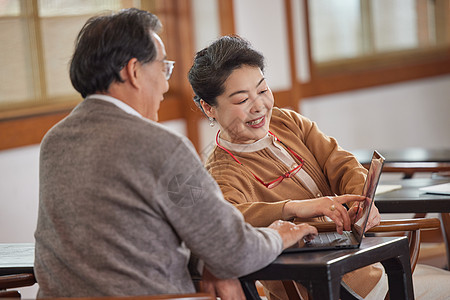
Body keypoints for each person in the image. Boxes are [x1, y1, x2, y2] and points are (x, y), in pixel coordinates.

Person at [34, 9, 320, 299]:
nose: (165, 84)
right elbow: (233, 250)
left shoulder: (55, 142)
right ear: (133, 72)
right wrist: (280, 234)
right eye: (163, 68)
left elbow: (127, 236)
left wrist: (209, 260)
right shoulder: (162, 148)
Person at [187, 35, 387, 300]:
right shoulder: (222, 171)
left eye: (262, 90)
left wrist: (363, 200)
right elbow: (231, 221)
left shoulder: (286, 121)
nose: (259, 106)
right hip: (325, 289)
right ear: (208, 108)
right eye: (241, 100)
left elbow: (339, 162)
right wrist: (292, 207)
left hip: (366, 268)